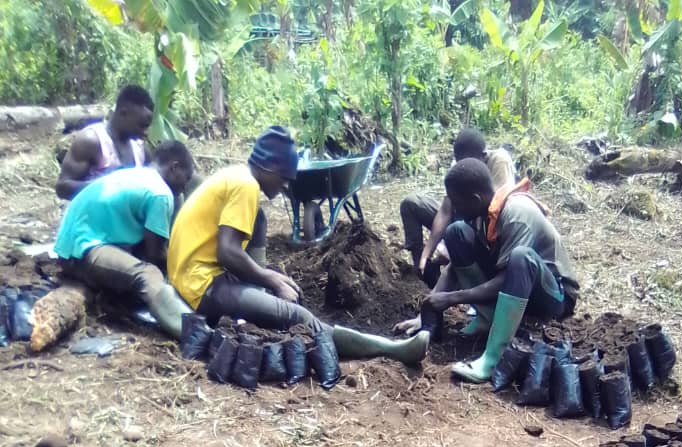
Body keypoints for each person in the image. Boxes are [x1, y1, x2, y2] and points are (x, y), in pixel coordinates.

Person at [168, 125, 429, 365]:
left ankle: (262, 299)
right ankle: (393, 349)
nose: (286, 185)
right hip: (201, 286)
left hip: (190, 276)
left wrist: (265, 278)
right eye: (284, 177)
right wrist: (270, 279)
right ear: (270, 166)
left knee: (259, 223)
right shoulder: (245, 185)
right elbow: (227, 252)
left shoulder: (235, 175)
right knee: (297, 317)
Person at [415, 158, 580, 384]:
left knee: (521, 257)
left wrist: (453, 298)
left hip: (555, 296)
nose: (454, 209)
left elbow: (507, 277)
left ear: (475, 199)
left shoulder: (516, 214)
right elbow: (455, 268)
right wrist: (428, 308)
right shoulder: (484, 213)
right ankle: (488, 318)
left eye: (457, 203)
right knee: (456, 232)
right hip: (519, 288)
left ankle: (493, 356)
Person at [54, 141, 195, 337]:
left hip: (71, 243)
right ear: (174, 167)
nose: (185, 186)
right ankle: (192, 332)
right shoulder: (160, 194)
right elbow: (154, 254)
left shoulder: (137, 174)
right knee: (148, 274)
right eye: (186, 178)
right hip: (81, 250)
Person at [399, 127, 516, 285]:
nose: (463, 165)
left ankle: (468, 280)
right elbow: (446, 210)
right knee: (411, 203)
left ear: (483, 156)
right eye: (459, 162)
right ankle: (423, 272)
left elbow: (493, 209)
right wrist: (427, 253)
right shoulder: (460, 162)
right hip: (461, 213)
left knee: (458, 232)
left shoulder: (499, 161)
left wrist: (450, 245)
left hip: (484, 226)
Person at [56, 85, 155, 201]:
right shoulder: (91, 141)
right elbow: (62, 188)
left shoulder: (141, 150)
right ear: (123, 113)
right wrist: (109, 184)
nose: (145, 133)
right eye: (142, 126)